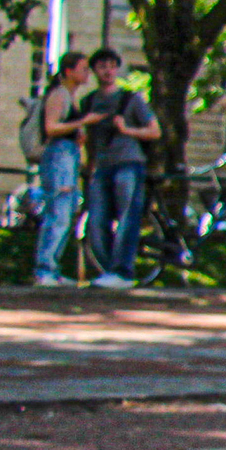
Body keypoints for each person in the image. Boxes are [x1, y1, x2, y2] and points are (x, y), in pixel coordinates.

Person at [79, 47, 160, 289]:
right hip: (102, 167)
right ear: (95, 71)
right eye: (102, 66)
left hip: (129, 164)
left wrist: (127, 130)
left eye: (112, 66)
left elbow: (154, 131)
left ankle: (122, 271)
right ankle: (109, 270)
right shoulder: (89, 102)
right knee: (96, 220)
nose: (108, 71)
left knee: (128, 217)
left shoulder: (131, 99)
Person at [30, 51, 94, 286]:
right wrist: (82, 123)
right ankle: (44, 269)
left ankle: (52, 268)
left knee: (65, 215)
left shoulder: (68, 96)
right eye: (84, 68)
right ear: (69, 71)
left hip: (67, 157)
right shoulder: (59, 94)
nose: (88, 73)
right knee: (57, 213)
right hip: (59, 159)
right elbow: (51, 128)